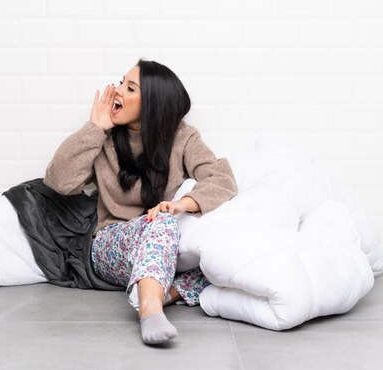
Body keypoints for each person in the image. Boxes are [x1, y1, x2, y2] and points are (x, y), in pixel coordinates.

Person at [43, 58, 237, 345]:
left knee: (224, 265)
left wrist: (183, 203)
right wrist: (95, 127)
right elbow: (59, 181)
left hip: (162, 241)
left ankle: (164, 293)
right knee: (163, 223)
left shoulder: (183, 137)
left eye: (129, 88)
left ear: (153, 105)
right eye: (121, 82)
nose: (117, 91)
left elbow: (222, 180)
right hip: (109, 244)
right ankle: (149, 310)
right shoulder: (103, 139)